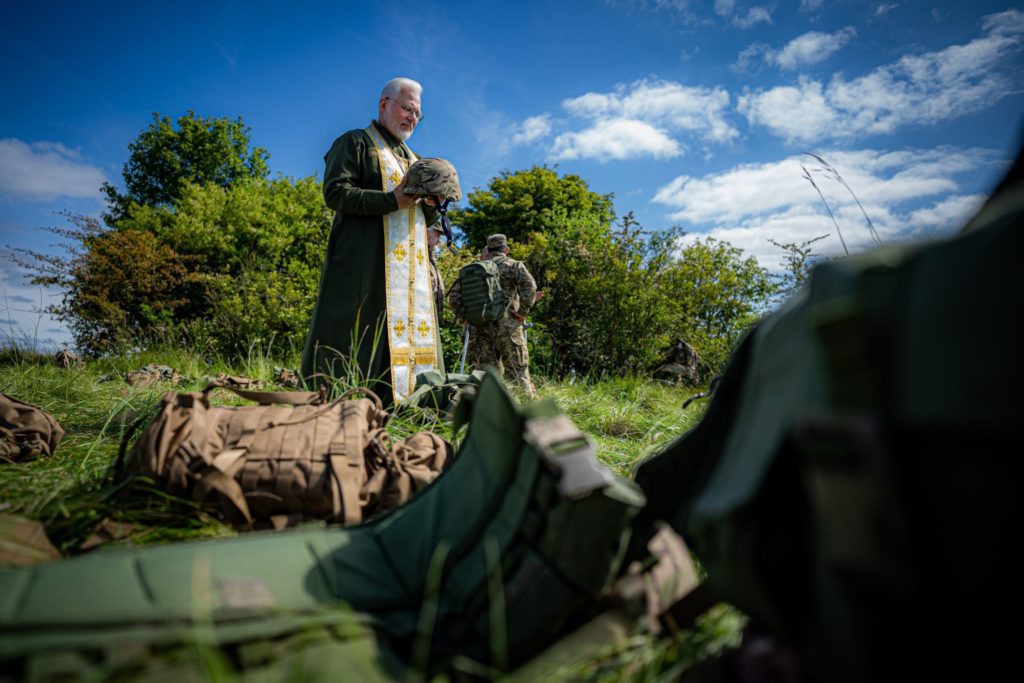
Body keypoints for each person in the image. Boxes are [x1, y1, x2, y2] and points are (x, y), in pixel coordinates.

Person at [301, 77, 443, 406]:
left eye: (418, 114)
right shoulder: (354, 143)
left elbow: (419, 218)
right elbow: (335, 193)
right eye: (408, 108)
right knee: (358, 332)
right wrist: (391, 200)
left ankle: (407, 405)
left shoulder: (416, 160)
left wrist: (432, 209)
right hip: (363, 264)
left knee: (405, 334)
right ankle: (339, 401)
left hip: (409, 275)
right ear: (384, 105)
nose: (412, 118)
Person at [449, 234, 539, 397]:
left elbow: (454, 297)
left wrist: (466, 317)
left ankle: (482, 417)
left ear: (488, 250)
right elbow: (530, 288)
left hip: (479, 330)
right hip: (508, 329)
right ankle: (527, 416)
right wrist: (521, 313)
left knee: (483, 380)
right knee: (518, 376)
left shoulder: (474, 269)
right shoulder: (514, 265)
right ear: (506, 249)